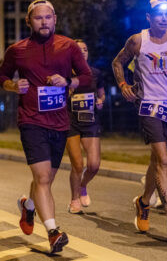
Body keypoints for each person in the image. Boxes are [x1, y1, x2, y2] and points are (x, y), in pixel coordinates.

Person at [0, 0, 92, 253]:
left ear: (55, 18)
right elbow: (1, 76)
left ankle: (28, 207)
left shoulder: (68, 46)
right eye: (38, 18)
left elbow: (86, 77)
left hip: (60, 122)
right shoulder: (17, 50)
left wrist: (68, 81)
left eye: (48, 17)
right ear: (29, 21)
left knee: (46, 179)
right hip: (31, 121)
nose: (44, 22)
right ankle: (52, 232)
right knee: (41, 177)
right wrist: (13, 86)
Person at [112, 0, 167, 240]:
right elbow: (117, 62)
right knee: (163, 159)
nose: (163, 18)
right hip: (148, 105)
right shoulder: (138, 40)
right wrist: (122, 83)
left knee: (156, 161)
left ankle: (143, 201)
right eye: (158, 14)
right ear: (148, 17)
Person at [66, 39, 105, 214]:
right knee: (77, 164)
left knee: (94, 164)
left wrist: (100, 101)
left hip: (90, 121)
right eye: (78, 49)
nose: (82, 52)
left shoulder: (95, 73)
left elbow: (102, 95)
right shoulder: (64, 74)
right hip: (71, 123)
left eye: (85, 49)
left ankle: (83, 185)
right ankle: (74, 199)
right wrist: (67, 92)